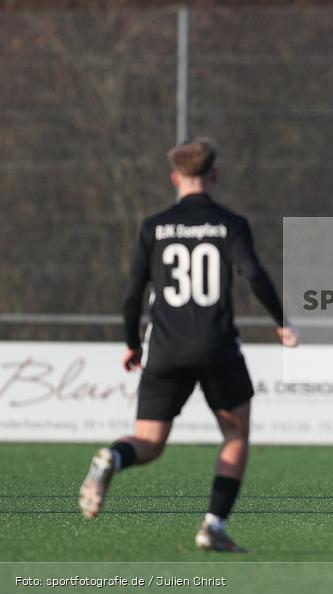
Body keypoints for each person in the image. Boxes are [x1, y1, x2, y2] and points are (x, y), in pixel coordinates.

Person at [78, 138, 298, 552]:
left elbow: (132, 294)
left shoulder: (153, 226)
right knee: (235, 434)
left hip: (164, 348)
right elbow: (253, 273)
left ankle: (112, 457)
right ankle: (213, 525)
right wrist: (283, 323)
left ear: (174, 177)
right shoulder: (230, 224)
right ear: (214, 175)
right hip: (216, 347)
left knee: (148, 442)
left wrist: (131, 344)